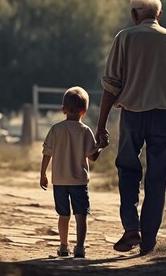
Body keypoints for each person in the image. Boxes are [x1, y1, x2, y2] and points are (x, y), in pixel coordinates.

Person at [95, 0, 166, 256]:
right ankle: (148, 242)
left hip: (132, 116)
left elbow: (111, 85)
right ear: (159, 14)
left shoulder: (125, 38)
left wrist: (101, 124)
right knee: (157, 177)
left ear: (133, 14)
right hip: (165, 118)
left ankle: (132, 227)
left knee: (128, 170)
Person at [40, 86, 106, 258]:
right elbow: (92, 157)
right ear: (83, 111)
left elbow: (47, 152)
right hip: (79, 181)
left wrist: (43, 174)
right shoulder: (85, 131)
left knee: (63, 215)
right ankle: (80, 248)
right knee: (81, 216)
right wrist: (100, 146)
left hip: (60, 181)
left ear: (63, 109)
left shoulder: (56, 129)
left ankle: (63, 246)